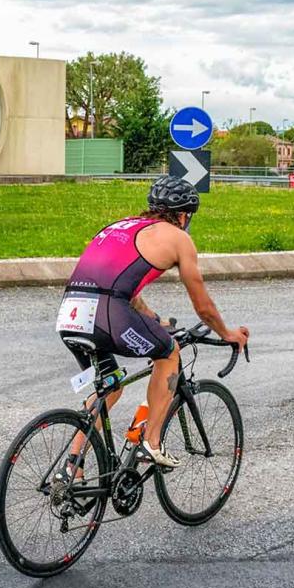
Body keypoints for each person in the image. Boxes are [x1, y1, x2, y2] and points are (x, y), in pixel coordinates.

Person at [56, 175, 248, 469]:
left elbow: (122, 290)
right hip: (108, 314)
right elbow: (203, 307)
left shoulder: (121, 226)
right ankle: (152, 442)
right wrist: (227, 333)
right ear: (184, 215)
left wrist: (154, 320)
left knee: (110, 386)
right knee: (169, 352)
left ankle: (71, 469)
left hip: (71, 312)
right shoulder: (179, 238)